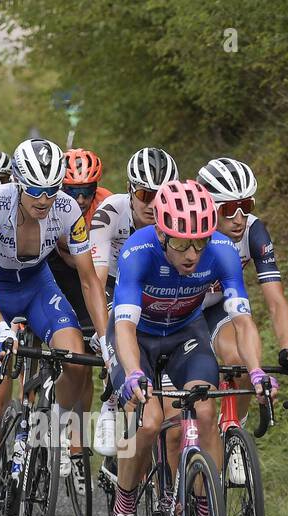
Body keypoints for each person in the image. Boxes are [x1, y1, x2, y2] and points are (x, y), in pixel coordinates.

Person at [106, 180, 272, 516]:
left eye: (199, 242)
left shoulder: (223, 252)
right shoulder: (139, 251)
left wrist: (257, 369)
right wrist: (132, 374)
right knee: (147, 423)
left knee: (204, 413)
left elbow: (243, 322)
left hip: (185, 334)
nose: (191, 254)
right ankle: (124, 511)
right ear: (162, 233)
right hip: (138, 337)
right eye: (180, 243)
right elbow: (124, 328)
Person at [0, 138, 109, 516]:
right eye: (36, 191)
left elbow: (88, 279)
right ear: (18, 183)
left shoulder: (67, 209)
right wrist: (0, 328)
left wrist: (110, 339)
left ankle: (57, 425)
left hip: (38, 286)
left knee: (76, 357)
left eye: (53, 189)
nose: (45, 199)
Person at [197, 158, 288, 446]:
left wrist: (287, 348)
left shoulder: (253, 231)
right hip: (179, 308)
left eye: (246, 206)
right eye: (228, 209)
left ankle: (232, 430)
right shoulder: (184, 228)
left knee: (239, 362)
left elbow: (276, 299)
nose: (239, 218)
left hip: (217, 306)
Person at [87, 146, 179, 457]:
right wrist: (103, 334)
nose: (153, 203)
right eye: (144, 194)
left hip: (158, 287)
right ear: (129, 190)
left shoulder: (179, 215)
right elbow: (96, 279)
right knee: (119, 330)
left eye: (161, 194)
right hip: (115, 282)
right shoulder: (111, 212)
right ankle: (111, 400)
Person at [47, 147, 113, 476]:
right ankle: (39, 423)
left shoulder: (107, 204)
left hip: (90, 275)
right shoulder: (50, 205)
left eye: (88, 191)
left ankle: (77, 444)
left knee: (85, 365)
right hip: (56, 273)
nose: (82, 199)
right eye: (74, 192)